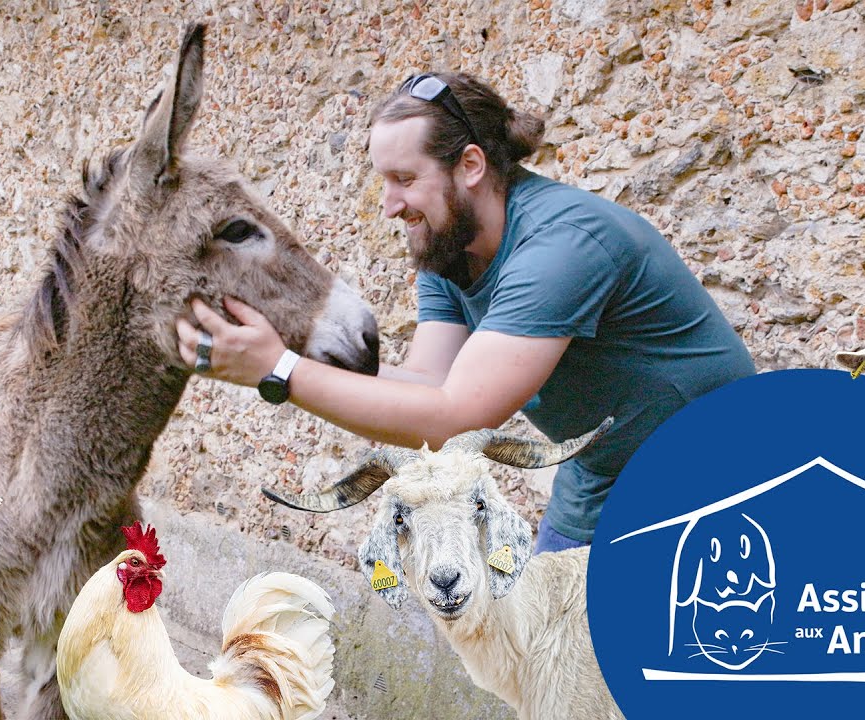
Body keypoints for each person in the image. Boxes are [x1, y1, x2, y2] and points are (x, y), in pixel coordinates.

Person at [175, 71, 756, 552]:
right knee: (553, 662)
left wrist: (278, 372)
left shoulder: (564, 245)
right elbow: (431, 382)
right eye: (384, 181)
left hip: (712, 468)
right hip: (602, 471)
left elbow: (457, 417)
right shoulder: (451, 252)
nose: (390, 205)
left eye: (405, 179)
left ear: (471, 166)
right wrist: (293, 348)